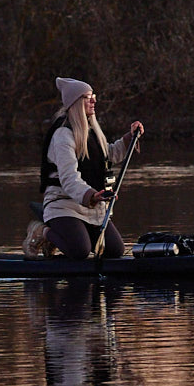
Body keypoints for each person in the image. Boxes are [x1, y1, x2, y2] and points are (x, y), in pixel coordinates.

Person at [24, 77, 145, 260]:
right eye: (88, 97)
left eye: (93, 95)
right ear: (76, 102)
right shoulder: (63, 135)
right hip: (63, 204)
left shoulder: (91, 130)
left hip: (91, 208)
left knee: (115, 251)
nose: (94, 100)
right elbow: (68, 178)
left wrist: (129, 138)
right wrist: (92, 195)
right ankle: (42, 232)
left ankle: (63, 239)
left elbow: (109, 155)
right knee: (79, 250)